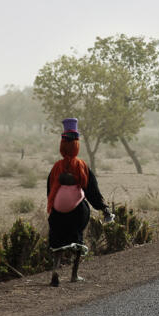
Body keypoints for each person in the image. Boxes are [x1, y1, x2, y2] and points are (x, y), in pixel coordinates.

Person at [47, 118, 112, 286]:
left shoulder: (56, 167)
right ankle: (74, 275)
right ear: (77, 146)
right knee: (77, 238)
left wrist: (54, 208)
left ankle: (55, 271)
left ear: (62, 146)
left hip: (58, 212)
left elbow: (49, 191)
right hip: (77, 213)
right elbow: (92, 191)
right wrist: (103, 208)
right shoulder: (81, 166)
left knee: (57, 240)